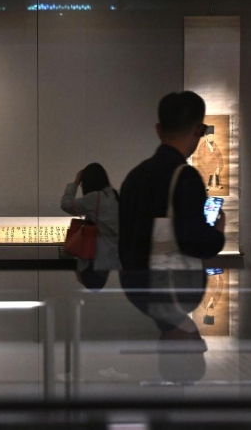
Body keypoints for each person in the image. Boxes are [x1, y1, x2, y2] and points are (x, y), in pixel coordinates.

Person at [118, 91, 225, 350]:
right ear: (198, 130)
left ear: (158, 129)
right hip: (171, 290)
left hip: (135, 288)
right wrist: (217, 232)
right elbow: (194, 241)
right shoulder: (185, 176)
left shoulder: (135, 175)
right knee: (181, 347)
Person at [61, 163, 120, 290]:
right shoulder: (116, 196)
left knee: (89, 285)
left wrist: (75, 182)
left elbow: (66, 205)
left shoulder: (95, 198)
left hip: (93, 257)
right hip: (113, 257)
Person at [194, 125, 224, 192]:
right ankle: (208, 186)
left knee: (217, 174)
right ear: (206, 137)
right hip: (208, 165)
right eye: (210, 136)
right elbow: (200, 157)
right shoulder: (203, 146)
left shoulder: (214, 145)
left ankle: (218, 185)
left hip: (215, 163)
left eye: (212, 136)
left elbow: (219, 154)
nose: (211, 138)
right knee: (210, 175)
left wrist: (218, 161)